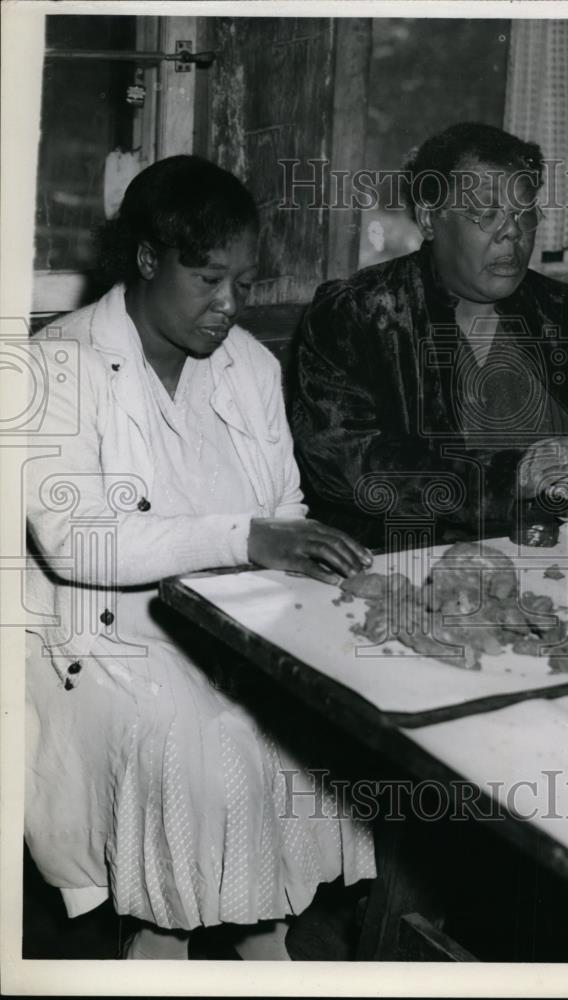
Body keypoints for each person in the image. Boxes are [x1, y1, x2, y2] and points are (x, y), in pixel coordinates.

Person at [24, 155, 376, 960]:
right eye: (209, 279)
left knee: (314, 724)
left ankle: (269, 941)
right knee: (203, 740)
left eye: (243, 284)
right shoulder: (57, 363)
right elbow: (77, 541)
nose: (228, 307)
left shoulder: (249, 366)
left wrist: (313, 573)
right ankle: (156, 944)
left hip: (235, 625)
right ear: (148, 260)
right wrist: (243, 537)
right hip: (105, 642)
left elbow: (284, 507)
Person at [289, 122, 568, 548]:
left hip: (550, 558)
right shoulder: (356, 315)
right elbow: (345, 465)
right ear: (428, 219)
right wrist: (511, 478)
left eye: (524, 212)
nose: (512, 231)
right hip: (401, 567)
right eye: (486, 213)